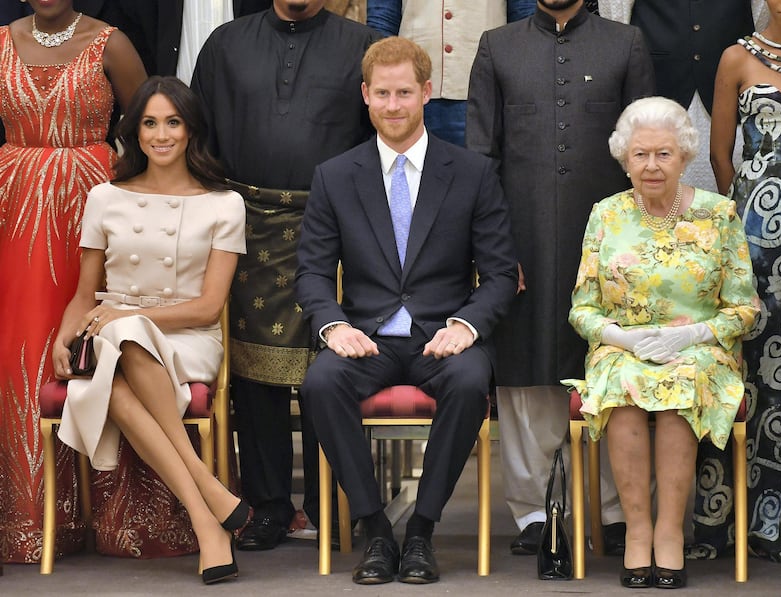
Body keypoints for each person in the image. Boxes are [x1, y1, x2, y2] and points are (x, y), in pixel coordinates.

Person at [296, 36, 518, 585]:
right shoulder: (335, 175)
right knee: (321, 383)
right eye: (382, 94)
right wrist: (332, 325)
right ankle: (375, 528)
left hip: (441, 338)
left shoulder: (470, 173)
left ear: (426, 92)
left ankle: (421, 529)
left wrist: (466, 325)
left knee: (470, 381)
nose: (393, 106)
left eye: (404, 93)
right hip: (366, 336)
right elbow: (313, 273)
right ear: (365, 96)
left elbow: (500, 275)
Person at [465, 0, 655, 557]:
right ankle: (532, 512)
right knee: (526, 372)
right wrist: (495, 251)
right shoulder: (498, 46)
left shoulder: (626, 44)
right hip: (520, 238)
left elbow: (643, 152)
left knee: (613, 370)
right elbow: (482, 156)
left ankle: (619, 512)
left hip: (611, 244)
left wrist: (640, 250)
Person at [191, 0, 380, 552]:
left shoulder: (361, 45)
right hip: (246, 226)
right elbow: (200, 138)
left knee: (332, 369)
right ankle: (269, 506)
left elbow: (379, 138)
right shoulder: (227, 44)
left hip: (335, 228)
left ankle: (333, 504)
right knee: (254, 375)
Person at [53, 76, 248, 584]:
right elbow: (85, 292)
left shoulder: (224, 203)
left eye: (173, 122)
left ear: (191, 131)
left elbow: (208, 307)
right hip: (115, 333)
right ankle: (209, 506)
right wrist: (63, 335)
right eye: (149, 123)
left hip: (188, 338)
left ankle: (208, 509)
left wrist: (124, 318)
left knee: (120, 350)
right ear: (135, 132)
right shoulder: (104, 197)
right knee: (116, 356)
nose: (161, 134)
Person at [564, 96, 759, 589]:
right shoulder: (605, 215)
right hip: (622, 345)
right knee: (626, 389)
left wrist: (694, 334)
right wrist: (621, 337)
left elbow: (744, 307)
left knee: (680, 388)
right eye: (640, 154)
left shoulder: (719, 215)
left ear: (685, 155)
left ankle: (671, 531)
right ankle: (638, 531)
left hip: (699, 349)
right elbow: (582, 308)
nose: (651, 166)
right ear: (624, 157)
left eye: (664, 154)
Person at [0, 0, 145, 564]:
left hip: (95, 202)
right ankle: (31, 516)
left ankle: (112, 512)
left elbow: (149, 127)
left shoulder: (112, 43)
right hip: (14, 207)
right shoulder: (2, 39)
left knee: (94, 335)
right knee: (23, 340)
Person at [710, 0, 781, 567]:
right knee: (758, 368)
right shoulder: (735, 59)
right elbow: (722, 155)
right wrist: (742, 219)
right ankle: (752, 521)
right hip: (757, 238)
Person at [366, 0, 537, 146]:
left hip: (488, 91)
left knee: (479, 176)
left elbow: (524, 17)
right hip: (411, 92)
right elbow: (382, 20)